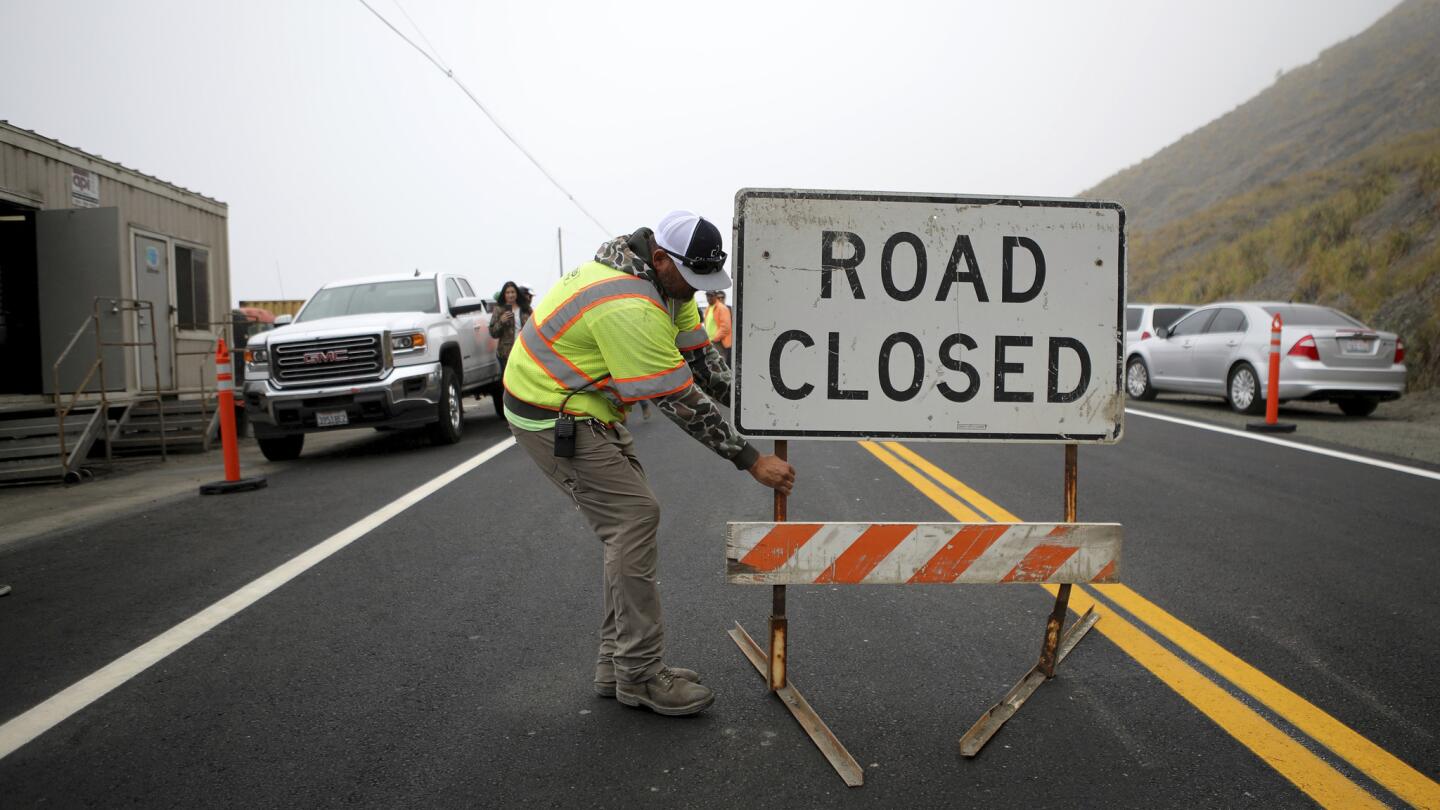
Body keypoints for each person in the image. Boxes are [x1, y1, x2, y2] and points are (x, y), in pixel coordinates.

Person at [502, 210, 795, 717]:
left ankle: (617, 666)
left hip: (586, 406)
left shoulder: (667, 288)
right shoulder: (626, 304)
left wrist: (762, 402)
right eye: (692, 278)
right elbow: (680, 400)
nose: (697, 290)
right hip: (550, 414)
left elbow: (702, 364)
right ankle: (638, 674)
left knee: (630, 525)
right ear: (660, 258)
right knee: (633, 519)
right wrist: (751, 460)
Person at [488, 281, 532, 376]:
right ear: (504, 295)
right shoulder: (498, 310)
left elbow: (535, 325)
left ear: (517, 293)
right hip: (506, 353)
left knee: (524, 378)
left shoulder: (526, 308)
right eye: (507, 293)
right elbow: (493, 333)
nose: (510, 295)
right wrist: (501, 321)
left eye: (513, 292)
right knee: (509, 380)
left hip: (524, 350)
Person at [704, 290, 732, 366]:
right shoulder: (708, 308)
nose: (709, 298)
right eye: (707, 296)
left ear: (715, 296)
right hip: (711, 342)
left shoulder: (722, 308)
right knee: (714, 363)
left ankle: (724, 377)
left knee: (721, 363)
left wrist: (715, 338)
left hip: (719, 342)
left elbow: (726, 327)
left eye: (711, 296)